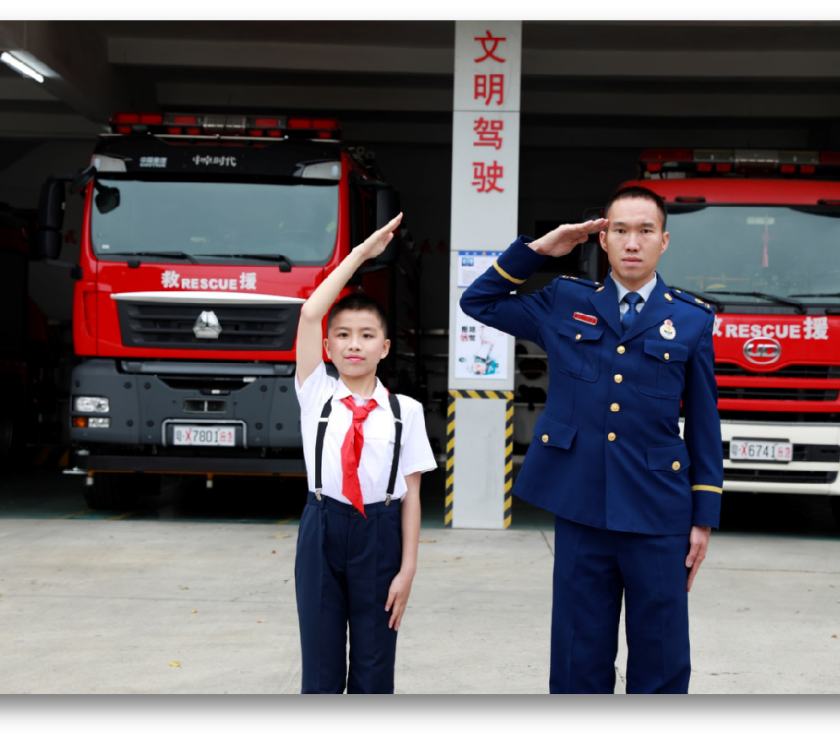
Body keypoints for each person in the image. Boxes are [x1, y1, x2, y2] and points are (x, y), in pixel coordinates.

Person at [460, 187, 723, 694]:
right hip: (581, 504)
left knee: (662, 656)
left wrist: (702, 518)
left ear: (664, 242)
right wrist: (538, 249)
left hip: (659, 513)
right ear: (603, 239)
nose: (632, 241)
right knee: (579, 653)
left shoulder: (691, 320)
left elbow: (706, 425)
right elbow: (479, 301)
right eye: (619, 229)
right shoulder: (565, 301)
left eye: (645, 230)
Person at [294, 213, 437, 694]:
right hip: (322, 527)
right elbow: (311, 312)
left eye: (367, 335)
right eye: (343, 335)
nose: (354, 344)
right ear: (328, 346)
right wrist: (360, 256)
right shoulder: (315, 392)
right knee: (320, 662)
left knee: (375, 664)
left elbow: (413, 495)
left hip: (380, 531)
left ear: (386, 347)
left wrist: (408, 569)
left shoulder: (407, 412)